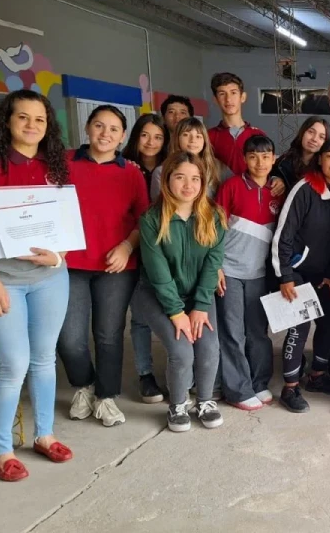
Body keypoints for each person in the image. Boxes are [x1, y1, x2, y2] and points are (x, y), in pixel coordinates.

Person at [0, 90, 73, 481]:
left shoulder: (56, 163)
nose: (31, 125)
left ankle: (44, 435)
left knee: (44, 359)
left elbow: (64, 224)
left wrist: (58, 258)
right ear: (7, 120)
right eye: (23, 117)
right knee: (13, 365)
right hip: (3, 279)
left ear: (48, 125)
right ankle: (1, 450)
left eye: (39, 119)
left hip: (50, 280)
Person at [58, 105, 150, 428]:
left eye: (113, 129)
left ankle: (106, 396)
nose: (105, 134)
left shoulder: (132, 173)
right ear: (87, 128)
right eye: (99, 126)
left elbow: (144, 219)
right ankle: (83, 385)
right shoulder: (64, 163)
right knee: (69, 337)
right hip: (70, 264)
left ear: (123, 136)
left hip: (117, 266)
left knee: (109, 335)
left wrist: (127, 246)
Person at [133, 152, 227, 433]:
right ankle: (178, 404)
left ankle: (206, 401)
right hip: (157, 296)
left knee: (209, 347)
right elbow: (158, 272)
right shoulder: (151, 219)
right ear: (166, 180)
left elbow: (213, 264)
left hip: (198, 295)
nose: (188, 185)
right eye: (180, 177)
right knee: (182, 350)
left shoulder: (214, 217)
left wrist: (199, 306)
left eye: (195, 178)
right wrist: (176, 313)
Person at [272, 139, 330, 413]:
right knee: (301, 324)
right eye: (329, 156)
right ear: (319, 160)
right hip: (297, 272)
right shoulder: (304, 189)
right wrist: (285, 275)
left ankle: (317, 375)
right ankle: (290, 386)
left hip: (324, 273)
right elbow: (284, 234)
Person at [214, 135, 282, 411]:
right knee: (232, 332)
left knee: (258, 331)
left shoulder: (278, 191)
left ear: (274, 159)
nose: (260, 162)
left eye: (266, 156)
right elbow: (215, 228)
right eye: (253, 156)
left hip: (258, 273)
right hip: (229, 270)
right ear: (244, 159)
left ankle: (259, 382)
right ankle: (237, 389)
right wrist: (215, 265)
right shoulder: (230, 186)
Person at [122, 113, 169, 403]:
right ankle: (145, 374)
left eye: (158, 136)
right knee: (139, 317)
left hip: (164, 251)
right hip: (129, 248)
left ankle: (177, 369)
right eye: (145, 135)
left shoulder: (172, 168)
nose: (151, 142)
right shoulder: (125, 167)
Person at [207, 72, 270, 179]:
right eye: (222, 94)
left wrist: (276, 178)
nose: (228, 99)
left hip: (251, 193)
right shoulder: (208, 136)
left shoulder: (258, 134)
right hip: (220, 193)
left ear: (243, 97)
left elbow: (267, 169)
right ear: (215, 100)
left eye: (233, 93)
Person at [151, 117, 231, 200]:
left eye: (198, 136)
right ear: (177, 139)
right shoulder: (161, 172)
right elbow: (159, 207)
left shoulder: (218, 167)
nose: (192, 140)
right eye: (186, 135)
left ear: (205, 141)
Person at [273, 116, 330, 191]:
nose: (314, 139)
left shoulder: (325, 168)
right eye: (311, 132)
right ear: (302, 132)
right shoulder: (283, 163)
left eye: (321, 137)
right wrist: (275, 178)